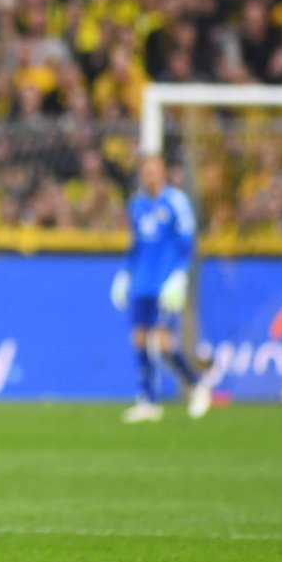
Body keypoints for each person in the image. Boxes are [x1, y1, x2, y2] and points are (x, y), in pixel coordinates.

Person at [110, 157, 211, 423]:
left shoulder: (177, 202)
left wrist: (179, 275)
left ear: (164, 173)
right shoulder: (137, 205)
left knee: (164, 344)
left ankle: (197, 384)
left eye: (155, 171)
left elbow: (187, 242)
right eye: (146, 172)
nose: (150, 176)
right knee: (139, 339)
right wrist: (124, 274)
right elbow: (136, 244)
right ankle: (148, 402)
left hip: (164, 283)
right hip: (141, 282)